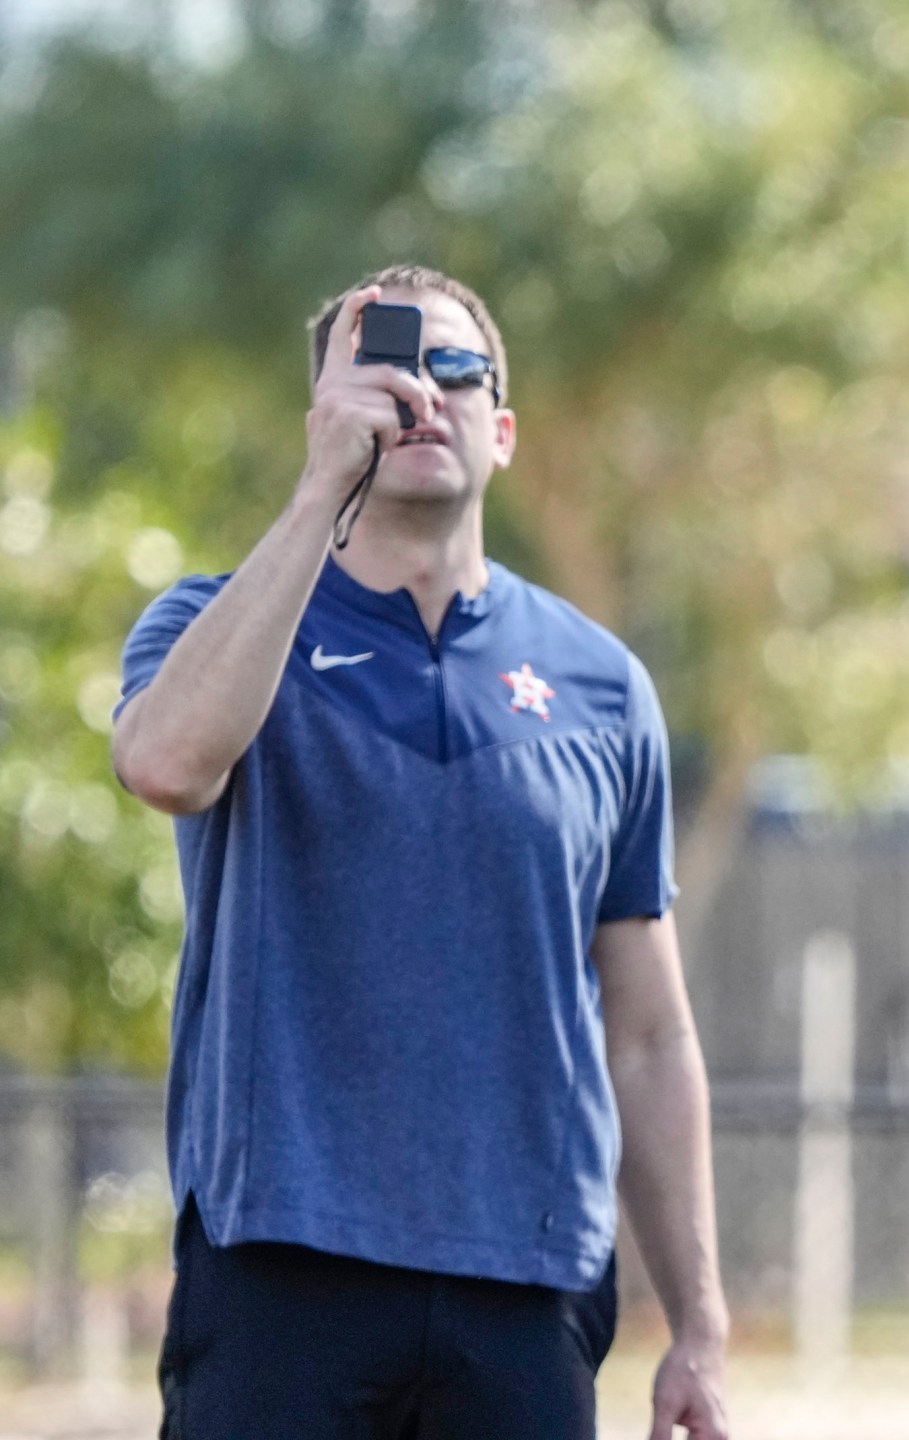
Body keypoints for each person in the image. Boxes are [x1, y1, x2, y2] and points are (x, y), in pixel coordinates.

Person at [113, 266, 730, 1439]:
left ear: (501, 429)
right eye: (383, 366)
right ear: (326, 416)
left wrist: (698, 1323)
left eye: (457, 370)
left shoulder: (603, 686)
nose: (422, 393)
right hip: (281, 1266)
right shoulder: (215, 622)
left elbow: (649, 1033)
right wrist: (316, 501)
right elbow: (166, 765)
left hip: (528, 1278)